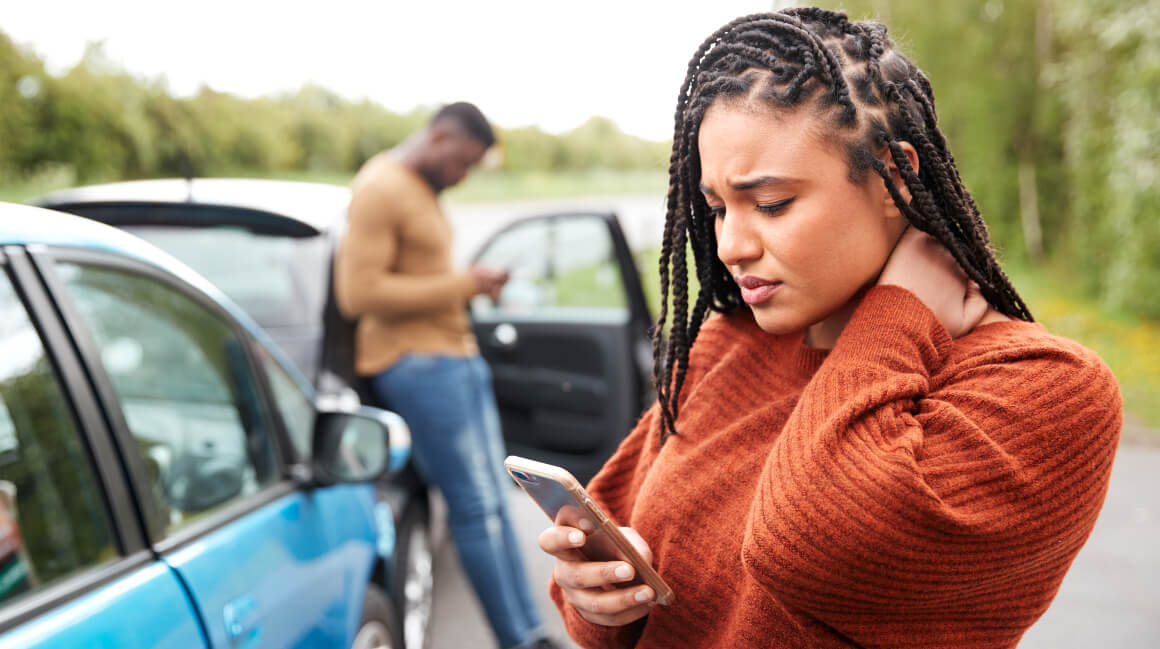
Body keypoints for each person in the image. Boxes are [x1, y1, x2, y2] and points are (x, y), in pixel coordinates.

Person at [538, 8, 1121, 649]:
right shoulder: (729, 344)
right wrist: (599, 603)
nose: (730, 244)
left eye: (770, 204)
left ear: (893, 176)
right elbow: (613, 569)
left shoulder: (1047, 388)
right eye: (716, 208)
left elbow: (811, 548)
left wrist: (897, 314)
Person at [334, 102, 556, 649]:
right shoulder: (381, 187)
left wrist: (467, 286)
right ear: (439, 138)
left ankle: (533, 631)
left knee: (499, 504)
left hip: (454, 357)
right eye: (463, 162)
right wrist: (466, 284)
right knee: (476, 508)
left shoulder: (421, 189)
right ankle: (519, 640)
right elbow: (357, 294)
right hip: (417, 363)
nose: (464, 176)